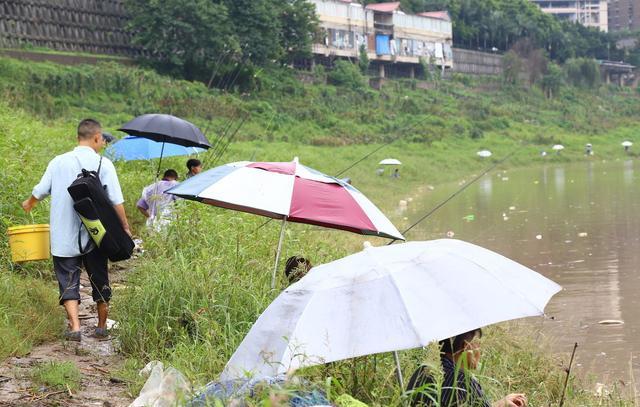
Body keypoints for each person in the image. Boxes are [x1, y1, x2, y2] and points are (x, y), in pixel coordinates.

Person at [21, 119, 131, 342]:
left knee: (67, 278)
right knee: (99, 276)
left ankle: (75, 327)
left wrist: (29, 203)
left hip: (64, 233)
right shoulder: (104, 164)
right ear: (97, 137)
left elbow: (40, 191)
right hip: (97, 233)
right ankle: (101, 326)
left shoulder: (58, 162)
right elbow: (116, 201)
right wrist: (125, 227)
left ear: (78, 137)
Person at [408, 329, 527, 407]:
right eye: (478, 345)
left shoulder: (425, 369)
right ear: (466, 346)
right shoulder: (462, 380)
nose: (481, 351)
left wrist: (503, 402)